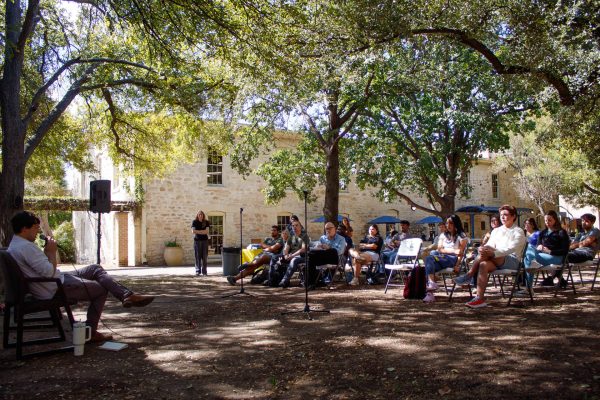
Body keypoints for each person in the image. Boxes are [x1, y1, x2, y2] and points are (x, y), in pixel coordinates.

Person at [7, 211, 154, 343]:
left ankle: (127, 295)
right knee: (100, 290)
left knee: (95, 268)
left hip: (53, 281)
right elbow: (48, 272)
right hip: (54, 287)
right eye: (35, 228)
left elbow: (44, 269)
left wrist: (48, 254)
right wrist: (51, 252)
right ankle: (90, 331)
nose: (38, 232)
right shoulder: (26, 247)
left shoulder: (16, 244)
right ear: (25, 228)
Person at [457, 204, 527, 308]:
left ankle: (470, 274)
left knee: (488, 251)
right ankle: (479, 298)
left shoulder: (518, 231)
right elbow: (490, 244)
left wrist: (493, 252)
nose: (502, 217)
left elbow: (510, 249)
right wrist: (483, 248)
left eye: (506, 215)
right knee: (484, 265)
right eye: (501, 215)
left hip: (512, 261)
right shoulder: (496, 231)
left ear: (513, 216)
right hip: (494, 258)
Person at [423, 215, 468, 303]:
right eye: (447, 223)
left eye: (451, 223)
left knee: (430, 259)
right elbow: (439, 249)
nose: (448, 225)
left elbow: (461, 253)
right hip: (441, 258)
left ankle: (430, 289)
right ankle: (430, 293)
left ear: (456, 224)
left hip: (452, 259)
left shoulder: (461, 236)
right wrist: (453, 250)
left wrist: (457, 265)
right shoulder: (443, 235)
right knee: (429, 260)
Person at [524, 210, 570, 288]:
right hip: (542, 255)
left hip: (557, 257)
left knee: (529, 258)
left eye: (549, 220)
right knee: (528, 252)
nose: (547, 222)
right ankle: (528, 287)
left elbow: (565, 250)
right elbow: (538, 244)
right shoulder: (543, 233)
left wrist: (549, 251)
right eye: (545, 220)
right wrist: (539, 247)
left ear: (555, 220)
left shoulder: (561, 232)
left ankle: (528, 288)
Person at [270, 220, 310, 288]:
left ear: (300, 227)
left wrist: (292, 255)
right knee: (275, 258)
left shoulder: (305, 236)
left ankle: (284, 281)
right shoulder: (291, 237)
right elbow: (286, 248)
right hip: (291, 256)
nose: (294, 227)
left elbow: (303, 249)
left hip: (303, 257)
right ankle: (272, 280)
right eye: (293, 226)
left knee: (294, 260)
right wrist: (285, 255)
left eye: (296, 225)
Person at [191, 210, 210, 276]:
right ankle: (198, 271)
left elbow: (207, 231)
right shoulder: (194, 222)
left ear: (203, 215)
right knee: (197, 256)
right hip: (197, 241)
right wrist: (202, 231)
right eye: (199, 214)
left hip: (205, 241)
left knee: (204, 256)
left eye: (202, 214)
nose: (200, 215)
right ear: (197, 215)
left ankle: (204, 271)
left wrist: (198, 231)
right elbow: (193, 231)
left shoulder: (206, 222)